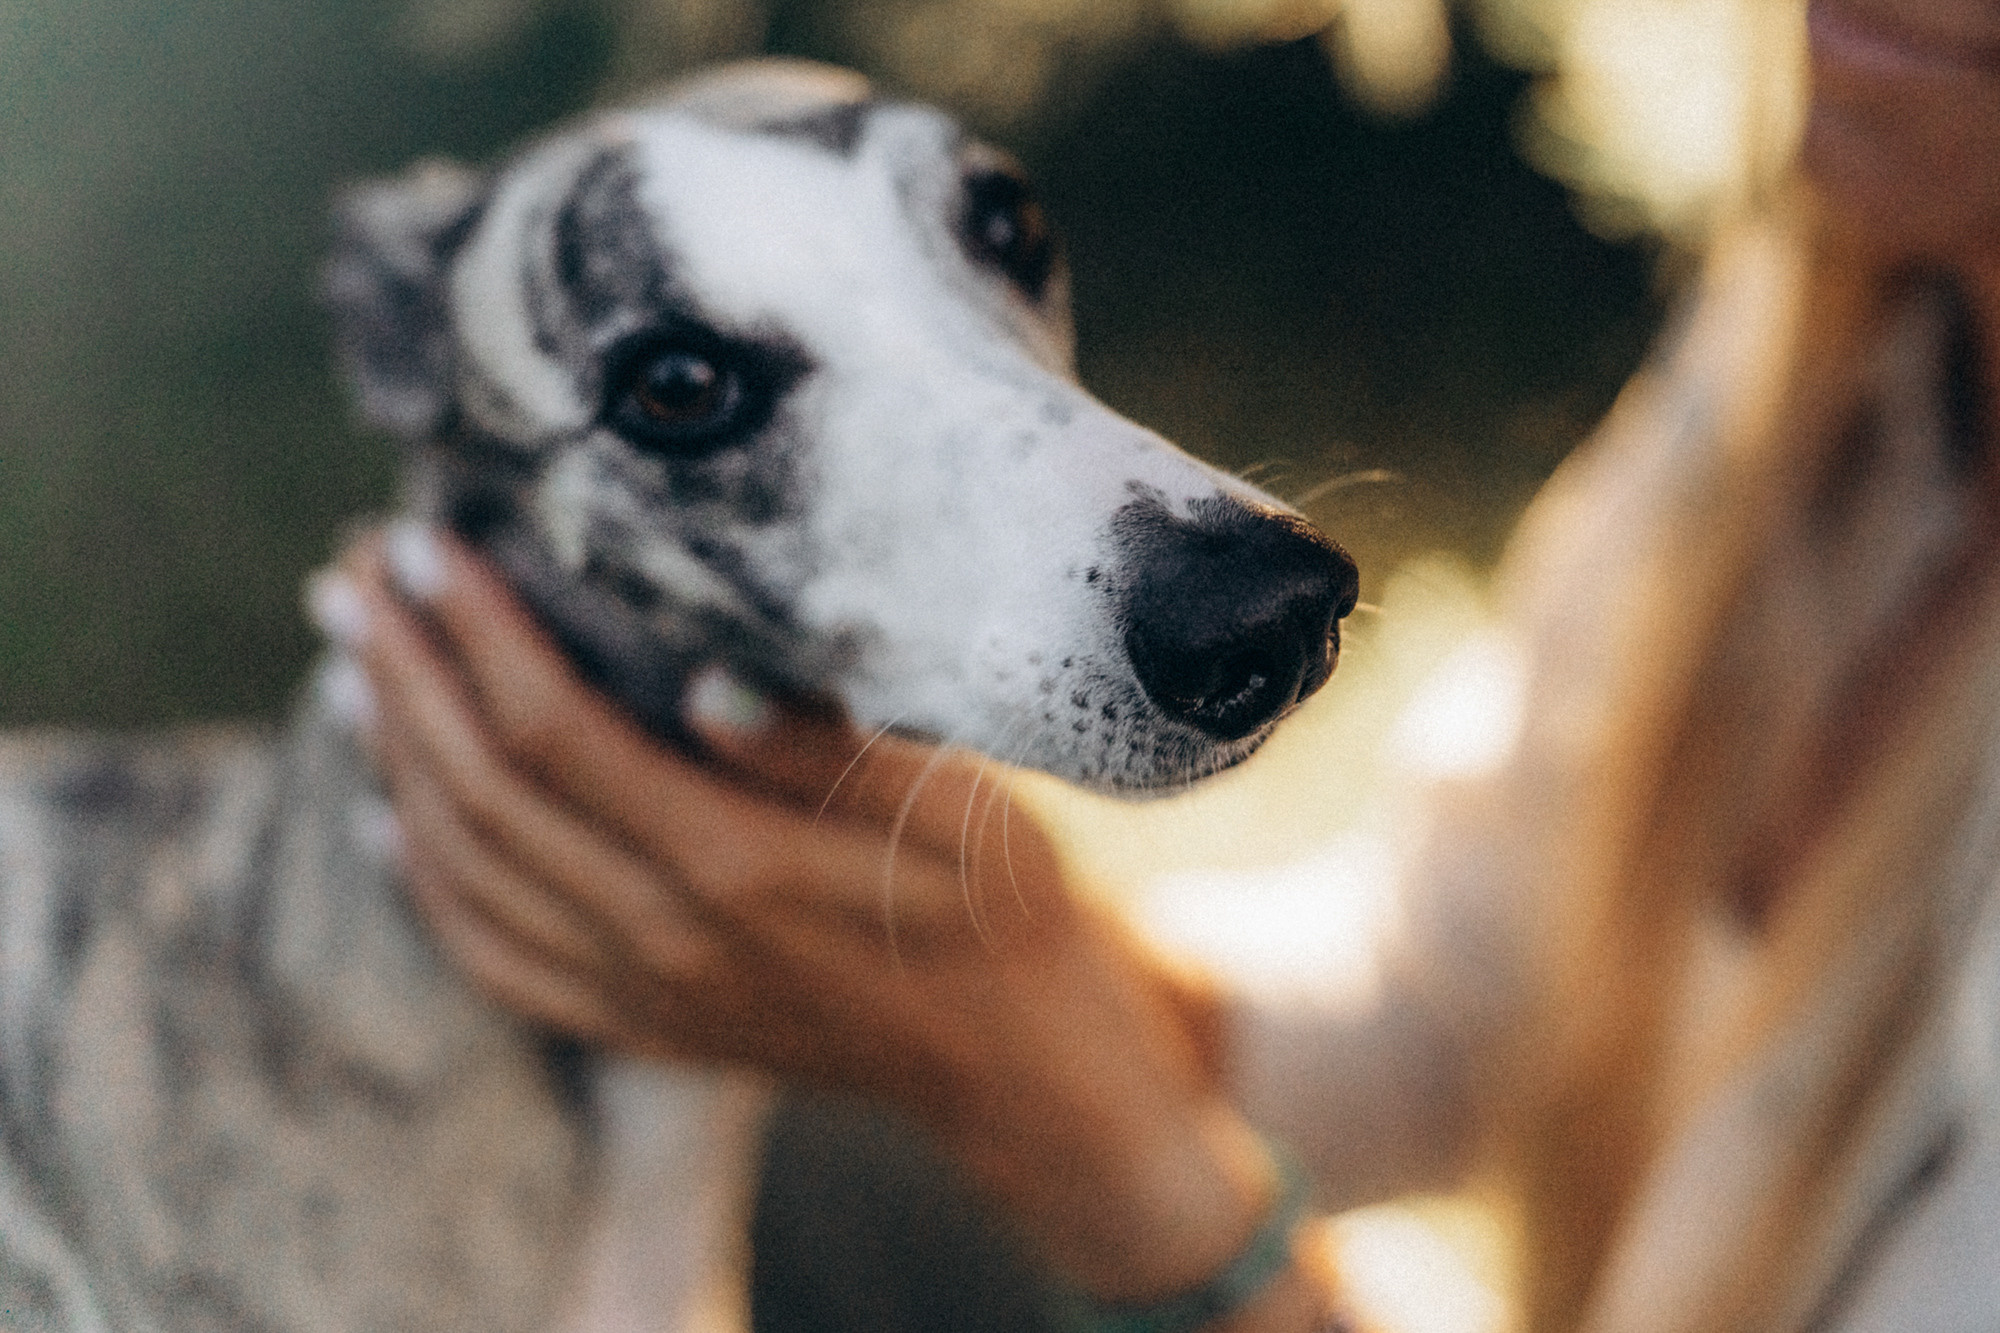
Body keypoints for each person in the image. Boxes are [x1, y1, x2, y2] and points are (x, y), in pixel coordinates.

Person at [325, 0, 2000, 1326]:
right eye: (692, 388)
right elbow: (1446, 1011)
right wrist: (956, 965)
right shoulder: (1857, 376)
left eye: (986, 232)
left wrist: (1090, 1134)